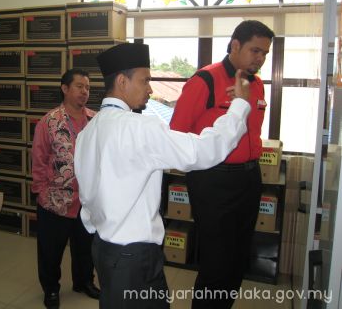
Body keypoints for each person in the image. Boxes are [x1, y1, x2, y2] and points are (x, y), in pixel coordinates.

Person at [74, 42, 252, 309]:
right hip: (134, 257)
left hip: (103, 248)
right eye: (145, 80)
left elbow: (87, 196)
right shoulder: (140, 128)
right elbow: (203, 150)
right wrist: (239, 106)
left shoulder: (89, 130)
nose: (150, 89)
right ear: (122, 81)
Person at [169, 20, 274, 309]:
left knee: (239, 259)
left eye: (265, 53)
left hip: (249, 178)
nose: (260, 58)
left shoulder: (256, 84)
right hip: (213, 181)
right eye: (255, 50)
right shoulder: (205, 80)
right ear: (235, 45)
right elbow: (177, 133)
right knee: (216, 262)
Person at [32, 68, 100, 309]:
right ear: (65, 88)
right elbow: (39, 160)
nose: (84, 91)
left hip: (87, 202)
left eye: (87, 87)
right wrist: (42, 193)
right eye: (79, 86)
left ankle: (84, 282)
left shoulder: (96, 121)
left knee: (85, 249)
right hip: (55, 201)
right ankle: (51, 288)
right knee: (51, 251)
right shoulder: (49, 122)